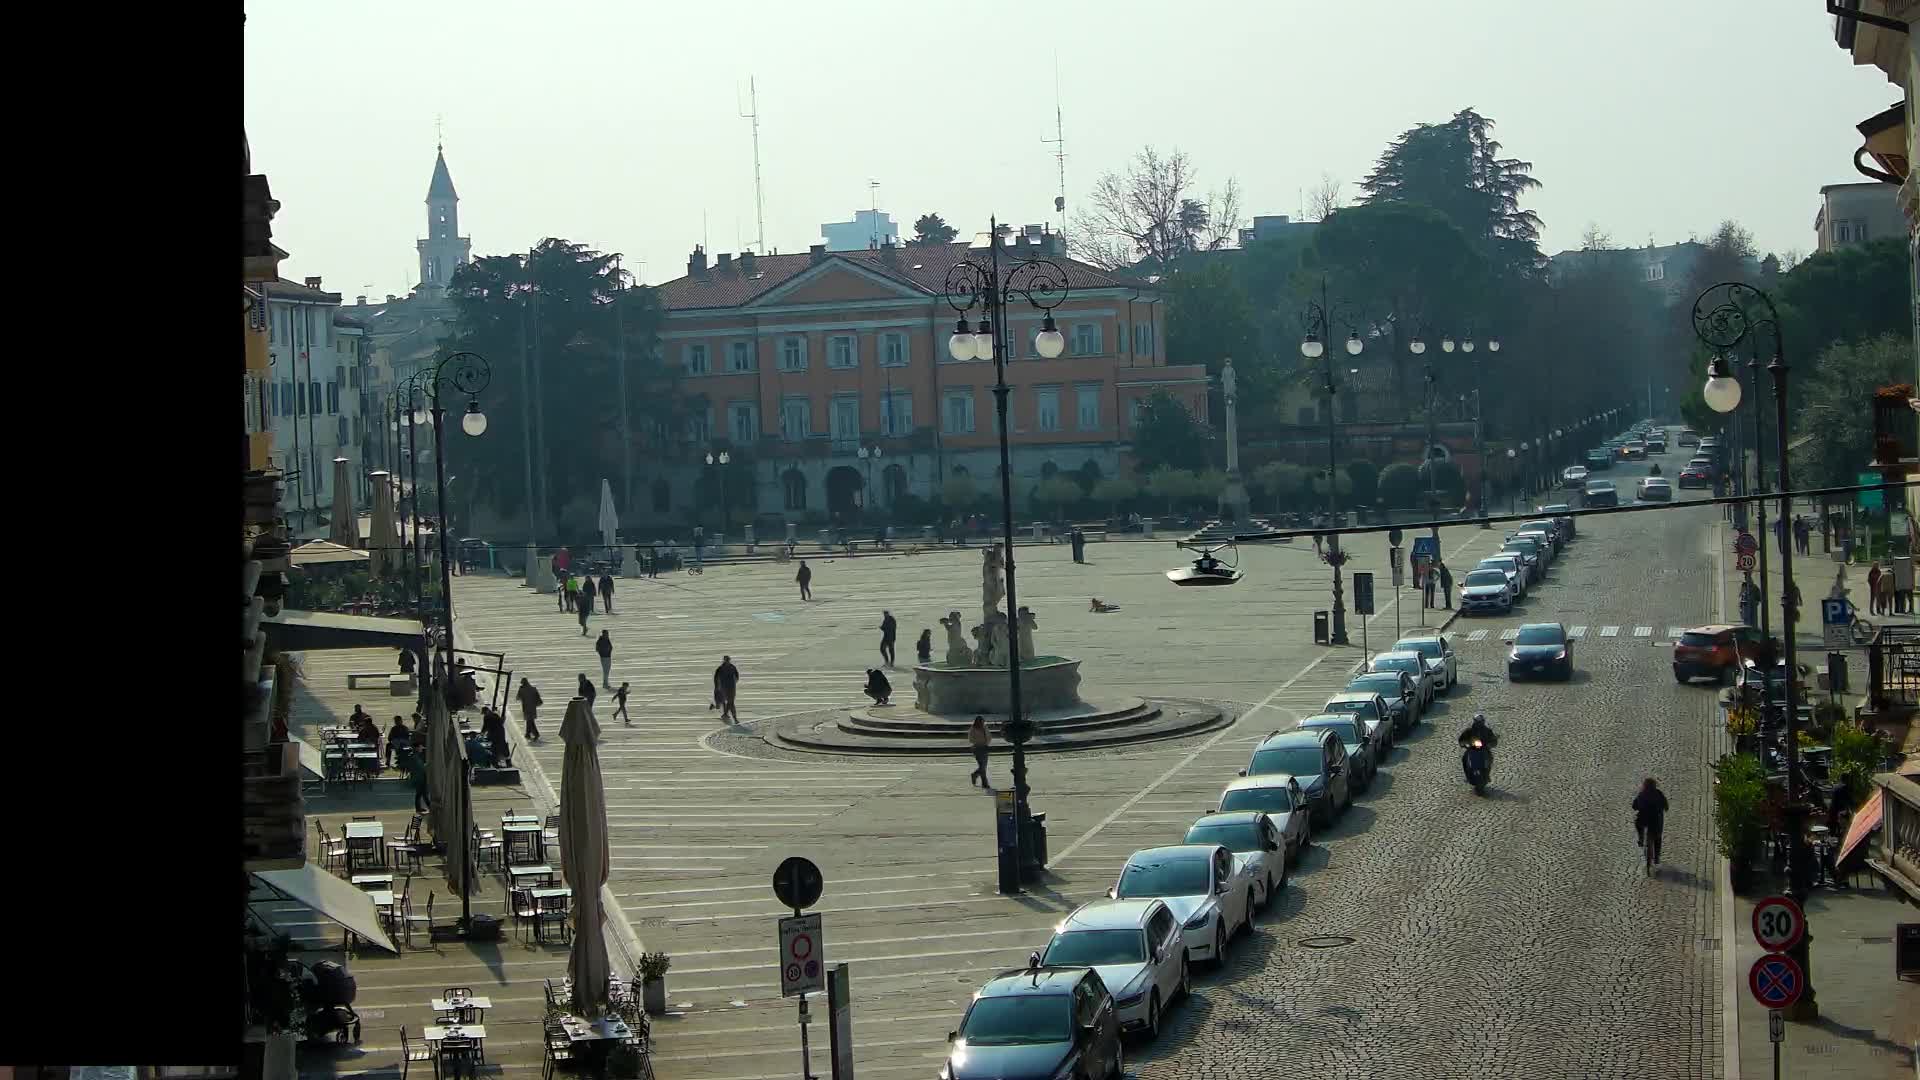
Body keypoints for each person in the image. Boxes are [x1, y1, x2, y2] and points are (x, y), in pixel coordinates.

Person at [1632, 777, 1669, 865]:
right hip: (1656, 820)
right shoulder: (1658, 793)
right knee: (1657, 837)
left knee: (1638, 824)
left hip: (1643, 819)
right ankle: (1656, 857)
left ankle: (1641, 838)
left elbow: (1634, 805)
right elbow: (1665, 805)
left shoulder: (1642, 794)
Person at [714, 655, 741, 723]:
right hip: (724, 688)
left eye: (728, 660)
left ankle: (726, 714)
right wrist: (717, 687)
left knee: (730, 702)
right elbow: (716, 679)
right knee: (729, 702)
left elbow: (737, 677)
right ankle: (734, 718)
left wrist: (734, 682)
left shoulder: (732, 667)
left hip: (731, 687)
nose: (727, 661)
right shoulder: (720, 668)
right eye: (726, 660)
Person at [967, 716, 992, 788]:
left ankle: (975, 774)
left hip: (984, 747)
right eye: (982, 721)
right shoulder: (973, 728)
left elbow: (989, 736)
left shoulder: (985, 727)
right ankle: (984, 783)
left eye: (983, 721)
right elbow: (970, 739)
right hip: (977, 748)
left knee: (983, 766)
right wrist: (978, 742)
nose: (983, 722)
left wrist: (987, 742)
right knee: (982, 766)